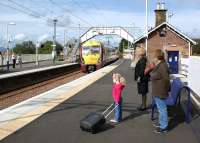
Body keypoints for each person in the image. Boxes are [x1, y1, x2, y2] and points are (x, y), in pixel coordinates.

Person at [150, 49, 170, 133]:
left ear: (157, 57)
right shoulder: (160, 65)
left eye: (154, 57)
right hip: (158, 91)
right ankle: (162, 123)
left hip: (160, 92)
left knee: (162, 109)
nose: (153, 58)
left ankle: (164, 127)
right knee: (160, 108)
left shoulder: (162, 66)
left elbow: (166, 79)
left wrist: (165, 90)